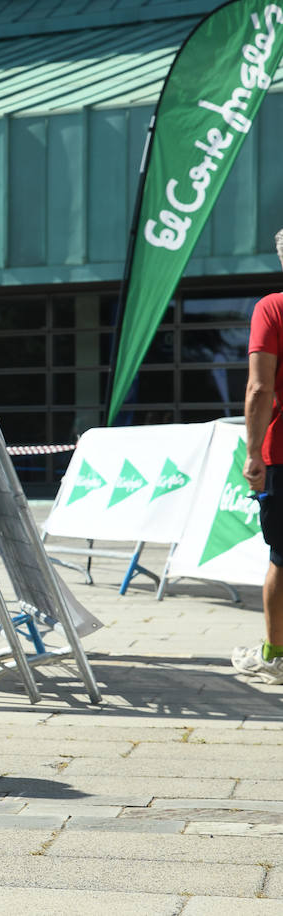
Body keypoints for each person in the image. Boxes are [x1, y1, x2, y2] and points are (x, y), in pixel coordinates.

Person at [235, 228, 283, 685]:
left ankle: (275, 655)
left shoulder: (272, 307)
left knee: (282, 557)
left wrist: (253, 454)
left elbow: (259, 387)